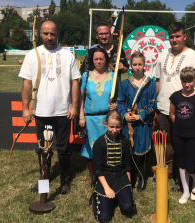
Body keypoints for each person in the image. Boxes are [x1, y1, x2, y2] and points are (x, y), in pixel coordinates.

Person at [19, 21, 80, 194]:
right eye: (46, 33)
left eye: (52, 33)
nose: (49, 37)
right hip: (42, 112)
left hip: (63, 112)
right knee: (44, 149)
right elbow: (27, 83)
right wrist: (25, 109)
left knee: (63, 149)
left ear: (57, 33)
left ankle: (64, 181)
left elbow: (74, 81)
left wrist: (74, 106)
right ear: (40, 34)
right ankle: (44, 181)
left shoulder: (67, 55)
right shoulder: (33, 55)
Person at [154, 22, 195, 191]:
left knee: (182, 146)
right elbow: (157, 79)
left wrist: (194, 109)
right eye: (171, 37)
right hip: (164, 108)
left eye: (178, 36)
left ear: (185, 36)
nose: (174, 39)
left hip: (185, 112)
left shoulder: (194, 56)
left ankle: (181, 179)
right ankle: (167, 173)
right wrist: (157, 103)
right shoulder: (163, 54)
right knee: (167, 144)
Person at [79, 47, 118, 185]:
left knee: (107, 147)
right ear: (92, 60)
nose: (99, 61)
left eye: (101, 58)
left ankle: (106, 173)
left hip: (107, 119)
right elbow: (81, 97)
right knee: (91, 147)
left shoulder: (113, 76)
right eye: (96, 59)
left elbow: (118, 97)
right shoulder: (86, 76)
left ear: (106, 60)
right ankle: (93, 174)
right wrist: (81, 116)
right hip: (90, 118)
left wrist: (116, 105)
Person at [117, 52, 157, 191]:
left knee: (142, 152)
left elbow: (153, 104)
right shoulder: (126, 84)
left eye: (140, 64)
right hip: (128, 123)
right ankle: (130, 177)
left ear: (144, 65)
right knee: (129, 150)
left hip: (143, 123)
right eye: (135, 64)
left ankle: (142, 177)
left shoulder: (150, 83)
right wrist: (124, 114)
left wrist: (141, 116)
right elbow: (120, 101)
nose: (138, 67)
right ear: (131, 66)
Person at [169, 67, 195, 204]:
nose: (187, 84)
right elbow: (172, 114)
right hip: (178, 135)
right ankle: (186, 190)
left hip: (194, 136)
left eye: (190, 81)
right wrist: (180, 126)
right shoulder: (175, 96)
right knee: (182, 163)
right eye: (184, 81)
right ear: (181, 81)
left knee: (191, 166)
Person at [92, 110, 136, 222]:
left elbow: (127, 165)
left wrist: (128, 184)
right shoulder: (99, 143)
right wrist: (106, 189)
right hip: (105, 178)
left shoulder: (125, 141)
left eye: (117, 127)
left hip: (121, 177)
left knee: (128, 208)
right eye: (111, 127)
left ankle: (118, 196)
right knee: (104, 218)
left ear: (121, 126)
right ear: (106, 124)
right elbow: (98, 169)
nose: (114, 130)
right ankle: (102, 197)